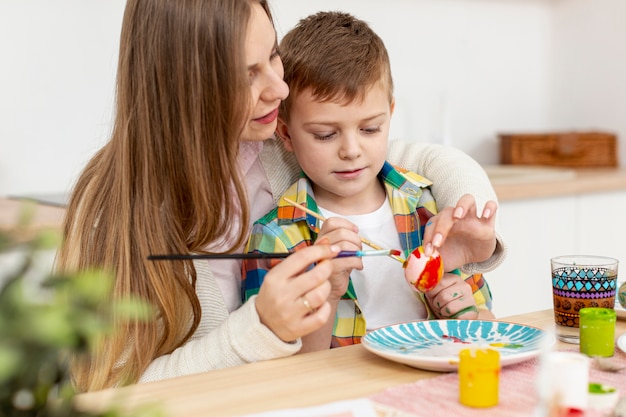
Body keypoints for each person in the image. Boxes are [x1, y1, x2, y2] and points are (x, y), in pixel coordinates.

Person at [56, 0, 505, 391]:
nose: (280, 87)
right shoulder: (111, 215)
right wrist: (257, 329)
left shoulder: (274, 141)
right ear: (188, 89)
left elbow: (411, 157)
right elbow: (108, 392)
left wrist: (469, 210)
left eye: (272, 56)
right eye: (249, 74)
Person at [242, 11, 498, 352]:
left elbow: (485, 325)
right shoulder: (276, 237)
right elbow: (287, 371)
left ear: (390, 115)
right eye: (325, 134)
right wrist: (329, 291)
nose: (351, 150)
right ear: (286, 134)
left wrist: (465, 312)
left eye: (370, 129)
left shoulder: (425, 206)